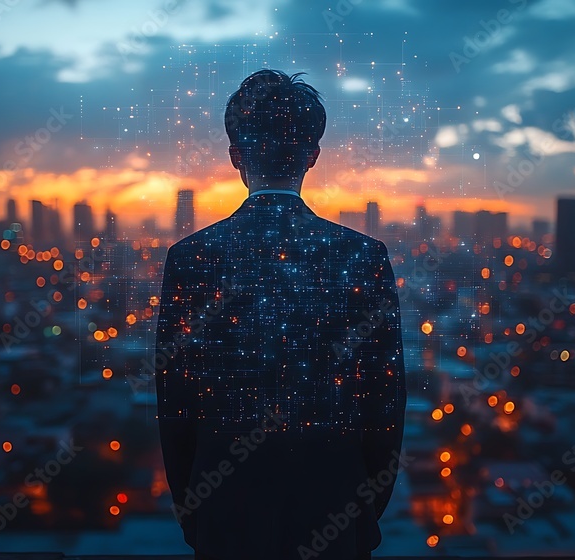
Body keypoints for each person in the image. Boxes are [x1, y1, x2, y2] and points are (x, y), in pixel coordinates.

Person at [154, 69, 406, 560]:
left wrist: (198, 510)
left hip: (225, 514)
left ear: (235, 157)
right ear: (312, 156)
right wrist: (360, 506)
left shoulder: (191, 257)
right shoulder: (362, 255)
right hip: (336, 509)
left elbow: (176, 405)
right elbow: (385, 404)